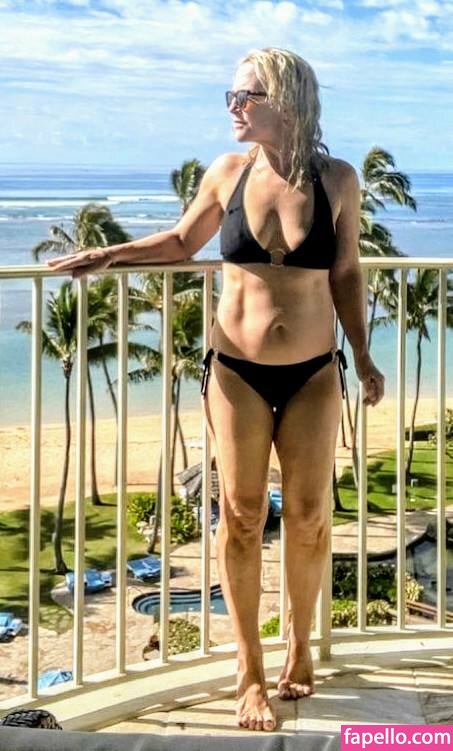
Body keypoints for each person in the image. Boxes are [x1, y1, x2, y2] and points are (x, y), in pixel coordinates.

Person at [47, 47, 384, 732]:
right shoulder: (227, 172)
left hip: (315, 370)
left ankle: (298, 646)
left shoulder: (338, 179)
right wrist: (107, 254)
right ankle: (248, 672)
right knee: (240, 513)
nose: (232, 106)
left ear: (284, 99)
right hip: (235, 371)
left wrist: (363, 353)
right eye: (230, 95)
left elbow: (345, 272)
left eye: (244, 95)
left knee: (309, 514)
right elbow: (181, 241)